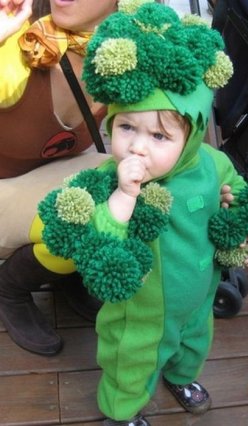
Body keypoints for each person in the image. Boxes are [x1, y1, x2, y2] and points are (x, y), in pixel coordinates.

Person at [35, 1, 248, 424]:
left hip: (199, 293)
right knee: (131, 360)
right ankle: (122, 411)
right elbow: (97, 238)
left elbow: (244, 194)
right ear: (111, 125)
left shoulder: (212, 164)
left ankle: (181, 376)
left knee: (194, 341)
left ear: (191, 135)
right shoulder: (111, 178)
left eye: (159, 135)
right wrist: (124, 194)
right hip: (141, 308)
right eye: (127, 128)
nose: (138, 146)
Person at [0, 0, 119, 356]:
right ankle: (9, 287)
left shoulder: (126, 58)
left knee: (133, 187)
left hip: (42, 184)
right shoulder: (22, 43)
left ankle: (64, 270)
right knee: (87, 209)